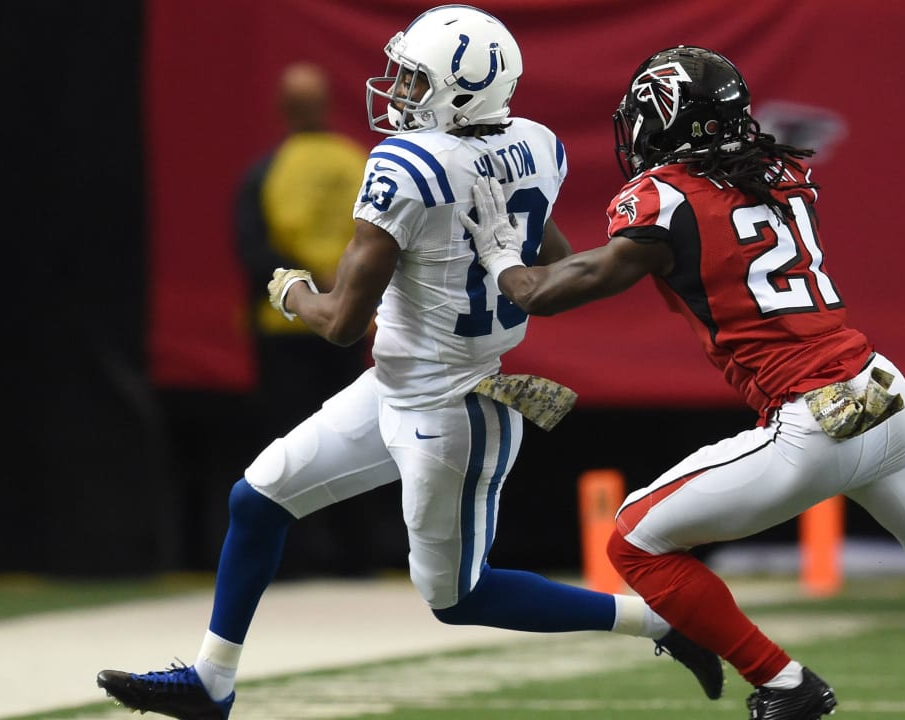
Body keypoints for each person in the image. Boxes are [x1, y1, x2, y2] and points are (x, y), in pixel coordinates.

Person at [460, 45, 905, 720]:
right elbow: (596, 261)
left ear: (666, 118)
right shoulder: (782, 174)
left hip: (813, 421)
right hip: (879, 392)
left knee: (631, 543)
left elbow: (554, 291)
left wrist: (495, 246)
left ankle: (783, 682)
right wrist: (536, 227)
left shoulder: (661, 199)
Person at [96, 8, 722, 720]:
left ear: (465, 90)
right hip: (400, 385)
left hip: (456, 408)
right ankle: (212, 683)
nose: (398, 90)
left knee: (459, 599)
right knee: (258, 499)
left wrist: (290, 289)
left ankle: (665, 622)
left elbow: (339, 323)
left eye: (417, 80)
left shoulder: (406, 165)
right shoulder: (539, 145)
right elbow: (547, 250)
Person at [234, 61, 381, 577]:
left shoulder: (266, 171)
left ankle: (292, 559)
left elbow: (253, 255)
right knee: (356, 437)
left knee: (285, 441)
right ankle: (356, 557)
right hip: (352, 321)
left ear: (282, 110)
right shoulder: (360, 163)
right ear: (325, 105)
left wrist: (302, 287)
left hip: (286, 329)